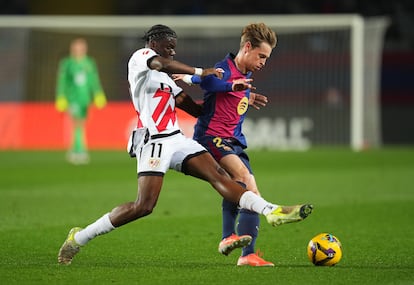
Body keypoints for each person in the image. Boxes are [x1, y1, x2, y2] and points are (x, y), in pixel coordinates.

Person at [57, 24, 313, 265]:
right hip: (153, 141)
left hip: (176, 139)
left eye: (174, 46)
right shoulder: (141, 58)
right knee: (144, 206)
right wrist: (201, 72)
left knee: (220, 176)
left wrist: (238, 95)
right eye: (168, 45)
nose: (172, 51)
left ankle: (272, 210)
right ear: (153, 42)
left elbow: (197, 109)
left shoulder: (167, 80)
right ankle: (80, 237)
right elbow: (162, 62)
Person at [173, 23, 293, 266]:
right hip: (212, 138)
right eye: (261, 56)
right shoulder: (224, 68)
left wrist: (246, 96)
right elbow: (209, 83)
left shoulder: (245, 74)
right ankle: (241, 247)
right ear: (247, 47)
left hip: (233, 141)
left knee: (243, 189)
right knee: (246, 183)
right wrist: (233, 87)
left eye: (266, 58)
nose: (263, 62)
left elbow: (216, 88)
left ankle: (239, 246)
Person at [55, 37, 107, 165]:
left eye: (82, 47)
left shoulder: (89, 62)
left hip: (85, 99)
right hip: (73, 98)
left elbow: (94, 80)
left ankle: (73, 150)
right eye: (77, 47)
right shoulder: (67, 63)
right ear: (72, 49)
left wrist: (98, 93)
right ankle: (80, 151)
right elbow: (62, 81)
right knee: (77, 124)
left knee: (82, 124)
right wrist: (61, 96)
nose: (79, 50)